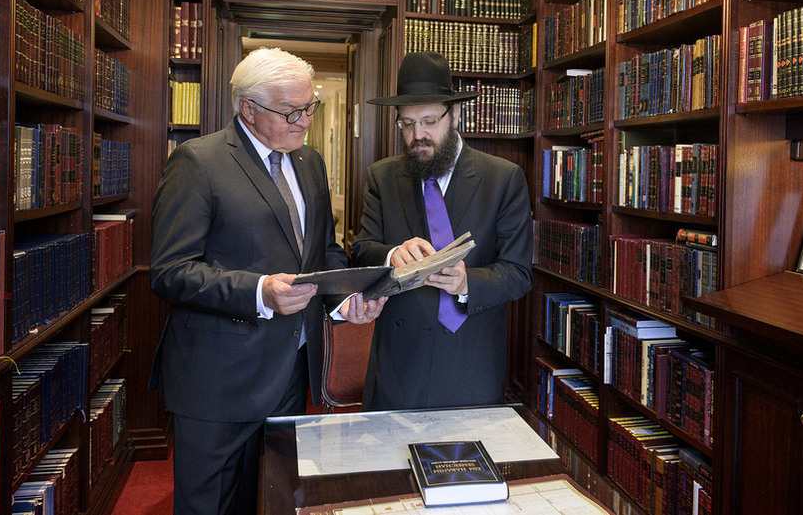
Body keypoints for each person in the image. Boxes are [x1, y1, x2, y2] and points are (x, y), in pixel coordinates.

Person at [149, 48, 382, 515]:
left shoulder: (310, 163)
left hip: (294, 371)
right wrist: (260, 293)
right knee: (210, 506)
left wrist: (349, 298)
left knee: (276, 498)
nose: (305, 121)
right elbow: (171, 271)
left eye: (309, 107)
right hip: (217, 378)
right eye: (291, 111)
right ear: (247, 108)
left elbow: (323, 252)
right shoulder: (198, 162)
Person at [351, 51, 533, 411]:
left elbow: (519, 273)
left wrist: (468, 283)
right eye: (407, 124)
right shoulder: (381, 177)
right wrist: (391, 254)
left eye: (429, 121)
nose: (418, 135)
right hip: (399, 364)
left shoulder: (503, 178)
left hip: (470, 364)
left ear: (455, 115)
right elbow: (361, 249)